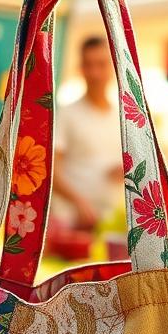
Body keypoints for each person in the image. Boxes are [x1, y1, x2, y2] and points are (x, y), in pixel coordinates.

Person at [54, 36, 123, 228]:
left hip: (110, 221)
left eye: (101, 64)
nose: (95, 73)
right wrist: (78, 202)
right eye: (88, 65)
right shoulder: (66, 113)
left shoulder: (122, 118)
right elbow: (51, 171)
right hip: (70, 221)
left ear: (112, 67)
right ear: (81, 69)